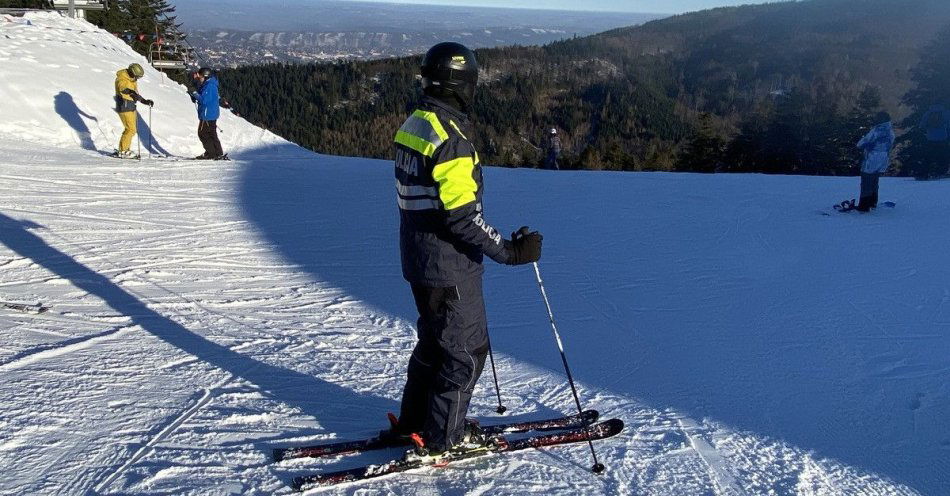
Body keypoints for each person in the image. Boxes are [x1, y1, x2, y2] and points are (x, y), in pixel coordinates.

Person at [388, 42, 543, 460]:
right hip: (448, 265)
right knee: (466, 353)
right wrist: (511, 251)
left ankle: (415, 422)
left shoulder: (416, 124)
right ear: (461, 85)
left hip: (419, 258)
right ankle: (443, 438)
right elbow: (462, 218)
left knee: (435, 345)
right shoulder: (451, 142)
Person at [855, 111, 896, 212]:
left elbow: (861, 143)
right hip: (883, 158)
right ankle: (873, 202)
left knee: (866, 181)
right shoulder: (890, 131)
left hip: (872, 158)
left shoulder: (876, 130)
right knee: (875, 180)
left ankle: (864, 205)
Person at [113, 63, 153, 159]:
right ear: (132, 72)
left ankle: (124, 149)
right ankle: (123, 151)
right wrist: (130, 92)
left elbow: (135, 93)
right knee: (131, 129)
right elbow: (122, 88)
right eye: (136, 76)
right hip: (124, 106)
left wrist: (144, 101)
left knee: (130, 129)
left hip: (130, 106)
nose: (137, 78)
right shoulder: (122, 78)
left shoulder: (132, 79)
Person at [190, 67, 225, 160]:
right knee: (212, 133)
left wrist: (194, 93)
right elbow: (202, 94)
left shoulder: (209, 86)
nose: (200, 79)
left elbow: (204, 100)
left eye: (200, 77)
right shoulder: (210, 84)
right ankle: (218, 152)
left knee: (202, 133)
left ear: (205, 77)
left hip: (207, 114)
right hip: (212, 113)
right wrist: (195, 94)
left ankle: (211, 153)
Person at [918, 103, 950, 178]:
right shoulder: (946, 113)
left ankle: (925, 173)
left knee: (929, 156)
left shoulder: (928, 113)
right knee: (943, 156)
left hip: (930, 138)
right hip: (943, 138)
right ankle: (941, 172)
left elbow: (922, 125)